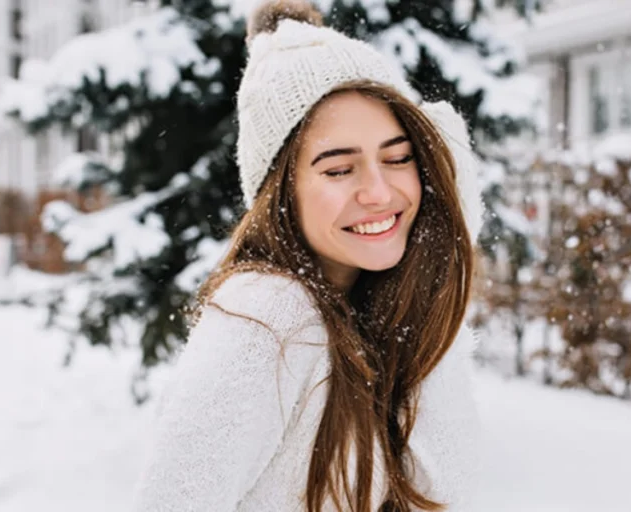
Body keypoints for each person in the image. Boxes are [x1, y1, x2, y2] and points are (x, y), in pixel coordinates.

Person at [133, 1, 484, 510]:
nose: (379, 191)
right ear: (282, 192)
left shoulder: (369, 304)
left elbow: (447, 489)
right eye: (339, 169)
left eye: (400, 158)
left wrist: (443, 257)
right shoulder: (267, 315)